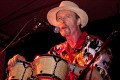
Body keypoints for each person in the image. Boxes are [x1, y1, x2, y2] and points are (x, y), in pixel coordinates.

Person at [7, 1, 112, 80]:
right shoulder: (56, 51)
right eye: (59, 19)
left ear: (78, 21)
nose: (62, 21)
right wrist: (23, 64)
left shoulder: (94, 44)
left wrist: (67, 65)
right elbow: (40, 72)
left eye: (67, 16)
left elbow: (100, 77)